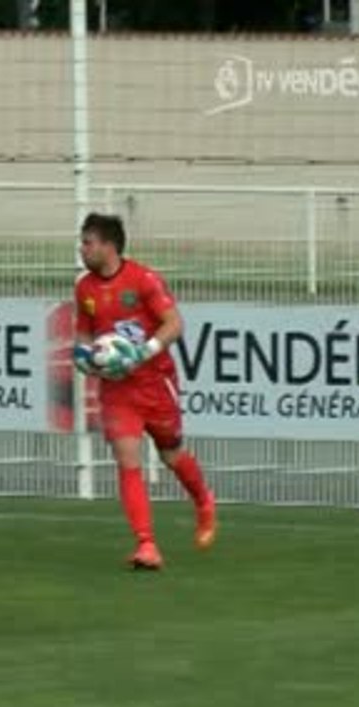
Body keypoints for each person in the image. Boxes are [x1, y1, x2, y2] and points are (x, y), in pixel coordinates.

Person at [72, 213, 216, 570]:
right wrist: (84, 357)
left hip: (154, 382)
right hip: (117, 389)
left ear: (108, 246)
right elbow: (84, 335)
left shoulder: (143, 279)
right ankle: (146, 544)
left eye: (88, 242)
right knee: (127, 458)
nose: (82, 249)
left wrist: (142, 353)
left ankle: (203, 501)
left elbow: (174, 324)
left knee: (171, 454)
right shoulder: (84, 288)